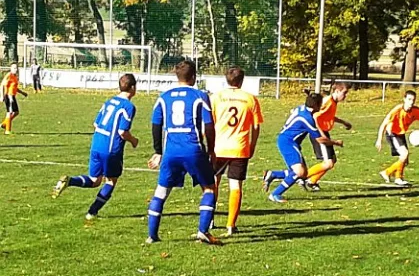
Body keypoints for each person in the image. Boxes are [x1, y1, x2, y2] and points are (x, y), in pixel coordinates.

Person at [146, 60, 220, 245]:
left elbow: (156, 124)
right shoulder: (200, 95)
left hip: (171, 151)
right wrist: (211, 149)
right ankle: (203, 231)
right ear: (194, 77)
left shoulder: (164, 97)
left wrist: (158, 151)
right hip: (193, 149)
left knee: (161, 191)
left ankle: (151, 236)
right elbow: (209, 126)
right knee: (209, 188)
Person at [52, 74, 139, 220]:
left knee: (94, 180)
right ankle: (92, 212)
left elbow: (95, 124)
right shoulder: (128, 107)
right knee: (110, 181)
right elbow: (122, 132)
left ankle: (70, 181)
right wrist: (134, 141)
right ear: (133, 87)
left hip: (96, 145)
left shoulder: (109, 101)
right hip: (111, 149)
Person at [210, 67, 264, 236]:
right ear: (242, 81)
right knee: (235, 185)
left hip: (218, 147)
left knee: (213, 183)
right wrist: (252, 144)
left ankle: (209, 218)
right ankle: (231, 225)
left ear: (226, 79)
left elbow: (209, 123)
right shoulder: (250, 99)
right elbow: (256, 126)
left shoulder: (216, 98)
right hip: (240, 147)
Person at [263, 92, 344, 203]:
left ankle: (273, 174)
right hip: (288, 142)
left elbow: (293, 112)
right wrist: (335, 142)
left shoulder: (302, 108)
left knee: (303, 173)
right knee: (299, 172)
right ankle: (275, 194)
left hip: (288, 141)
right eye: (320, 104)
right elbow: (320, 140)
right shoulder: (307, 119)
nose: (321, 106)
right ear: (316, 105)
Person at [375, 90, 419, 186]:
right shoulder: (397, 110)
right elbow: (384, 124)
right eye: (409, 99)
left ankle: (394, 176)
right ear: (404, 99)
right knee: (404, 154)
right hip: (392, 133)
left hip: (400, 134)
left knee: (405, 160)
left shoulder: (416, 111)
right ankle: (390, 174)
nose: (411, 102)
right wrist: (379, 140)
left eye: (413, 100)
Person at [300, 82, 352, 191]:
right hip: (318, 133)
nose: (345, 96)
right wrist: (323, 136)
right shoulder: (327, 101)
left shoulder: (333, 102)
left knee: (332, 160)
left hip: (323, 132)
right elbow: (315, 116)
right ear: (337, 91)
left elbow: (328, 116)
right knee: (328, 163)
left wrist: (343, 122)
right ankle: (301, 177)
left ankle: (312, 181)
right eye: (344, 93)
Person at [1, 63, 28, 135]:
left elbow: (14, 87)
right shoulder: (9, 75)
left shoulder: (15, 76)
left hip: (12, 96)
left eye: (16, 68)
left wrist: (22, 93)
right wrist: (1, 96)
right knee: (9, 112)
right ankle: (7, 131)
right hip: (8, 96)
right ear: (11, 68)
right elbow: (2, 85)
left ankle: (4, 124)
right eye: (14, 68)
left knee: (16, 112)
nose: (15, 69)